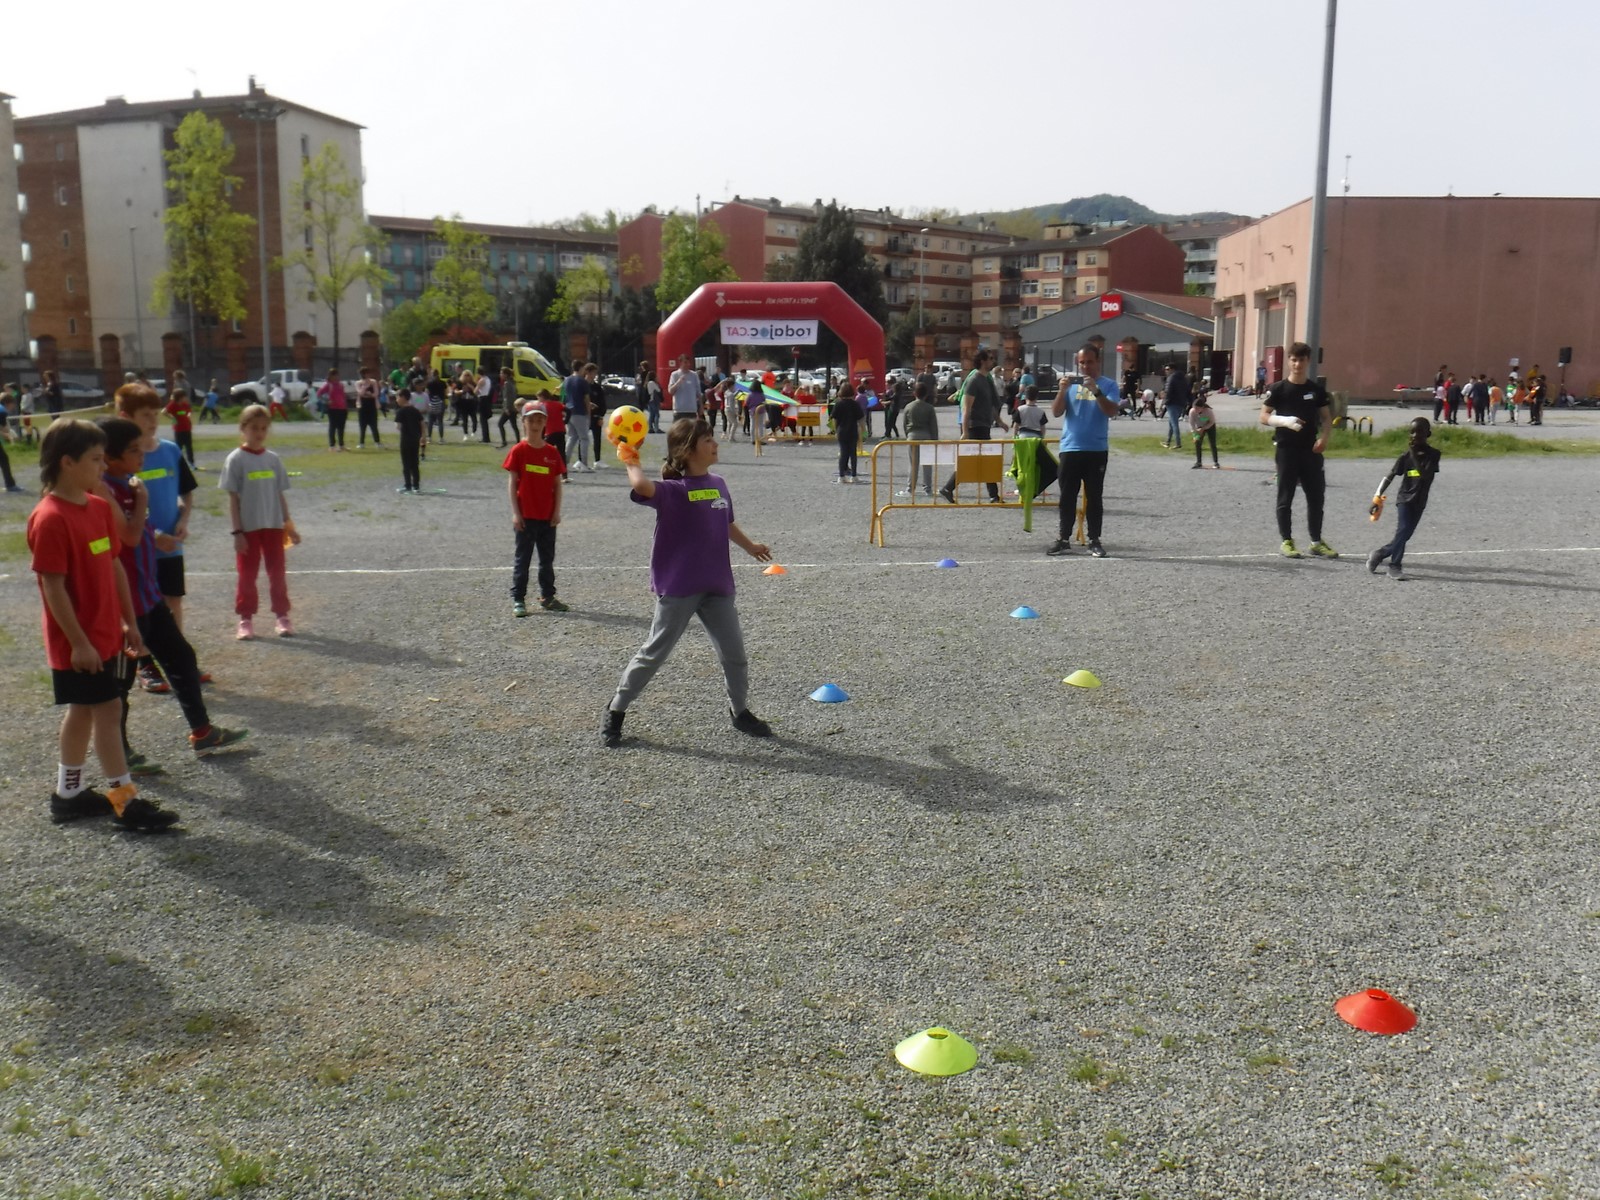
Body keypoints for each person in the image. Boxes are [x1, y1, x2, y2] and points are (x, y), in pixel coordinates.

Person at [26, 419, 180, 832]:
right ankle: (125, 801)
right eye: (95, 459)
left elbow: (114, 566)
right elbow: (53, 586)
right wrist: (78, 643)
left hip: (105, 633)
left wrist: (129, 621)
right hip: (79, 642)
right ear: (67, 462)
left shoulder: (96, 507)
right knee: (109, 709)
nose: (103, 466)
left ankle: (69, 796)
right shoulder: (50, 517)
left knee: (83, 710)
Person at [601, 419, 774, 748]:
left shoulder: (719, 484)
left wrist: (750, 546)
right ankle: (616, 709)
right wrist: (630, 459)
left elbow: (726, 522)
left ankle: (739, 712)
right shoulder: (673, 491)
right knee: (654, 654)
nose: (715, 444)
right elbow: (642, 487)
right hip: (680, 587)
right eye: (708, 440)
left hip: (717, 585)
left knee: (735, 654)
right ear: (687, 450)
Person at [95, 416, 248, 758]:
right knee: (120, 682)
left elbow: (138, 532)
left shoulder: (128, 483)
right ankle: (119, 752)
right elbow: (128, 535)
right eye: (134, 450)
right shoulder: (105, 491)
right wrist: (142, 499)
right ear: (109, 457)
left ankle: (202, 731)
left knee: (181, 658)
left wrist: (157, 536)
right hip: (124, 604)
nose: (142, 456)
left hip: (147, 595)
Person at [114, 382, 207, 693]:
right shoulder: (123, 459)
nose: (153, 420)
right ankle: (145, 664)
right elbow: (120, 509)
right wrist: (152, 536)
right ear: (126, 416)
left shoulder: (170, 450)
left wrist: (183, 521)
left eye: (155, 413)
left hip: (171, 547)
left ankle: (177, 662)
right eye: (145, 415)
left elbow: (186, 493)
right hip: (140, 549)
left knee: (173, 601)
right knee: (140, 607)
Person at [220, 405, 300, 639]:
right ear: (243, 428)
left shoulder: (272, 459)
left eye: (264, 428)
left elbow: (279, 494)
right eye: (254, 428)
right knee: (247, 575)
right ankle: (245, 619)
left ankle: (282, 616)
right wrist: (237, 532)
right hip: (248, 529)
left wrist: (289, 525)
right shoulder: (235, 460)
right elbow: (233, 500)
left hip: (273, 527)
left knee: (277, 573)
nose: (259, 433)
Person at [1260, 341, 1337, 559]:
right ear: (1288, 361)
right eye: (1294, 360)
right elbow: (1263, 416)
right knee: (1286, 496)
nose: (1297, 364)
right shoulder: (1278, 389)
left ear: (1308, 361)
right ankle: (1287, 541)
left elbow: (1326, 418)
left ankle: (1316, 542)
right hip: (1286, 450)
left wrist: (1324, 438)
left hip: (1310, 451)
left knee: (1316, 497)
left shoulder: (1316, 390)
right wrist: (1283, 421)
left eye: (1301, 360)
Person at [1047, 342, 1121, 557]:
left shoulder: (1109, 385)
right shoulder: (1070, 385)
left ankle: (1094, 540)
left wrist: (1096, 391)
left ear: (1098, 362)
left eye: (1090, 362)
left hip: (1096, 449)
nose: (1086, 367)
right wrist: (1061, 391)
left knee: (1094, 496)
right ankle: (1063, 538)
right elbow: (1056, 412)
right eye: (1082, 363)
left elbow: (1111, 411)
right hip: (1071, 447)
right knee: (1067, 496)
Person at [503, 402, 568, 617]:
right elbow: (512, 483)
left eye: (539, 420)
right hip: (526, 516)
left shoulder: (552, 452)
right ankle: (518, 598)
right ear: (523, 422)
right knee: (523, 559)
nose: (535, 424)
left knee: (546, 560)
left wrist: (556, 511)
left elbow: (557, 484)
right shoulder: (519, 451)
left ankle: (547, 596)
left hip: (547, 516)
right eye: (531, 420)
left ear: (545, 423)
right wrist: (516, 513)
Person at [1367, 417, 1441, 582]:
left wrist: (1413, 454)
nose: (1415, 435)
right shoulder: (1405, 456)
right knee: (1403, 530)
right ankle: (1394, 566)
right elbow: (1390, 476)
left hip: (1420, 501)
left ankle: (1380, 553)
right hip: (1404, 499)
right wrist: (1376, 497)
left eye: (1419, 432)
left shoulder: (1434, 455)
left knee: (1405, 535)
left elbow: (1424, 475)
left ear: (1428, 434)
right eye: (1412, 432)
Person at [939, 348, 1003, 503]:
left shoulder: (985, 379)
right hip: (975, 426)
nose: (993, 361)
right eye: (990, 358)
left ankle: (992, 495)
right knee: (976, 461)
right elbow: (966, 407)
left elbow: (989, 405)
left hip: (983, 425)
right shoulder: (974, 380)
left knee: (984, 460)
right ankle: (949, 488)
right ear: (982, 361)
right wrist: (965, 431)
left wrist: (1000, 421)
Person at [899, 380, 940, 497]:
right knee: (927, 464)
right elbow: (933, 426)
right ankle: (928, 489)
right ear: (926, 394)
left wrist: (908, 435)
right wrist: (935, 440)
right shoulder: (929, 408)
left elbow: (904, 424)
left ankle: (910, 489)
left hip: (912, 436)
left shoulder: (908, 407)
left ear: (914, 393)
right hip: (926, 436)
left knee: (913, 464)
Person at [563, 361, 595, 473]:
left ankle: (564, 462)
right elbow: (586, 399)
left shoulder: (566, 380)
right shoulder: (582, 381)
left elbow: (564, 396)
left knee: (572, 437)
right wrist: (589, 413)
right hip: (580, 411)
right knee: (584, 438)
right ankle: (584, 464)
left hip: (569, 411)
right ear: (581, 368)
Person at [831, 379, 864, 483]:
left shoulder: (838, 404)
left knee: (843, 453)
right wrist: (863, 430)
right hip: (853, 430)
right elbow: (861, 419)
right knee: (853, 454)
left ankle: (841, 476)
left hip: (841, 431)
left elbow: (834, 419)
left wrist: (835, 431)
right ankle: (854, 476)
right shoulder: (855, 404)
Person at [393, 388, 425, 494]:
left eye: (397, 397)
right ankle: (416, 486)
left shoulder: (400, 411)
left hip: (405, 440)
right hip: (415, 439)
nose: (396, 399)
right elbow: (422, 423)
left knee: (406, 463)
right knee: (414, 463)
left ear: (402, 397)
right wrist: (423, 436)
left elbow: (398, 426)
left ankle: (408, 485)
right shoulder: (415, 410)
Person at [318, 368, 349, 450]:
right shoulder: (328, 385)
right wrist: (326, 401)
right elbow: (319, 393)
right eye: (334, 375)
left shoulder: (341, 384)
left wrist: (345, 406)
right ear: (330, 376)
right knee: (333, 427)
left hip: (342, 408)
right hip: (333, 408)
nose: (336, 377)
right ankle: (332, 445)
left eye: (337, 375)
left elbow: (343, 395)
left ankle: (341, 445)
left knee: (341, 427)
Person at [1189, 388, 1220, 469]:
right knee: (1197, 443)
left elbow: (1212, 421)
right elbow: (1192, 423)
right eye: (1194, 408)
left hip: (1209, 426)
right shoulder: (1192, 412)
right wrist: (1194, 432)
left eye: (1197, 408)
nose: (1195, 410)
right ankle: (1198, 462)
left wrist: (1203, 428)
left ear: (1202, 407)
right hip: (1199, 427)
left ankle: (1216, 462)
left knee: (1212, 443)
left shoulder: (1208, 411)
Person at [1163, 364, 1191, 449]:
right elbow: (1188, 390)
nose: (1166, 371)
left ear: (1172, 369)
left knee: (1174, 423)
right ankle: (1168, 441)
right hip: (1181, 403)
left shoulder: (1171, 378)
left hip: (1172, 403)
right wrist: (1189, 401)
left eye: (1167, 369)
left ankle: (1178, 443)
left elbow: (1168, 391)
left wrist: (1165, 402)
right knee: (1171, 422)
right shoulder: (1183, 378)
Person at [668, 354, 703, 422]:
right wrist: (678, 382)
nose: (687, 364)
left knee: (691, 428)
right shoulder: (674, 374)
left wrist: (701, 406)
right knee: (679, 428)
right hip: (679, 410)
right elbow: (670, 391)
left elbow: (698, 392)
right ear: (680, 363)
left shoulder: (694, 375)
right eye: (685, 362)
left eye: (688, 362)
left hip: (692, 409)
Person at [355, 367, 382, 448]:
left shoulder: (373, 382)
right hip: (362, 405)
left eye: (367, 373)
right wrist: (365, 386)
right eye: (364, 373)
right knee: (362, 425)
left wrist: (370, 394)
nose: (367, 375)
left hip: (372, 404)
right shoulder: (358, 383)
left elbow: (376, 393)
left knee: (374, 424)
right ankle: (361, 443)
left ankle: (377, 442)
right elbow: (360, 393)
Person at [496, 367, 520, 448]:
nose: (500, 375)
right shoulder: (513, 382)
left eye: (501, 373)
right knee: (514, 425)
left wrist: (506, 408)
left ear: (505, 374)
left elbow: (506, 397)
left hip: (509, 408)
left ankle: (504, 442)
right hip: (513, 408)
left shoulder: (507, 384)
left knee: (500, 424)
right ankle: (518, 441)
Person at [424, 371, 448, 444]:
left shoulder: (429, 383)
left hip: (431, 402)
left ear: (432, 375)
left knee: (430, 421)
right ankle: (441, 438)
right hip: (441, 402)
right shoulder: (443, 383)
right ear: (438, 374)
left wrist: (423, 401)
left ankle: (429, 438)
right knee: (440, 421)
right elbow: (446, 393)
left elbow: (426, 393)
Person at [640, 361, 662, 433]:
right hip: (653, 400)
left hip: (649, 400)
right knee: (656, 414)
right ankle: (656, 428)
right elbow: (658, 390)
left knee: (651, 414)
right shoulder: (652, 383)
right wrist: (658, 383)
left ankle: (650, 428)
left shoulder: (647, 383)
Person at [476, 367, 496, 445]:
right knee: (484, 420)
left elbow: (475, 391)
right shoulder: (488, 379)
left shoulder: (481, 380)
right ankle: (486, 437)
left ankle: (485, 438)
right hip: (486, 398)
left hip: (482, 398)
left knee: (483, 419)